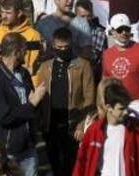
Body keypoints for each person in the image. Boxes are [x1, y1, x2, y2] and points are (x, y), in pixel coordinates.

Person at [35, 27, 95, 176]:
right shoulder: (45, 67)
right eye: (58, 47)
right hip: (51, 124)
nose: (62, 50)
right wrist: (41, 123)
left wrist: (82, 125)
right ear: (53, 46)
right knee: (53, 163)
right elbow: (40, 96)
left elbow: (89, 97)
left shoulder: (83, 65)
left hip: (73, 124)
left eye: (66, 47)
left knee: (72, 164)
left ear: (72, 45)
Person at [0, 33, 47, 176]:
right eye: (25, 49)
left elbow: (31, 105)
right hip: (7, 151)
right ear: (16, 52)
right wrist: (32, 104)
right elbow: (5, 117)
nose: (27, 52)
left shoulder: (23, 73)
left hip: (28, 147)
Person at [73, 80, 139, 176]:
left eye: (127, 107)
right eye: (121, 109)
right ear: (108, 107)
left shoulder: (135, 129)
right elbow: (81, 164)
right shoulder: (94, 131)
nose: (126, 112)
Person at [102, 13, 139, 120]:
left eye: (126, 29)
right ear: (112, 31)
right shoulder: (107, 54)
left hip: (137, 104)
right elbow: (104, 83)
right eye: (120, 30)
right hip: (114, 106)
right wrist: (103, 106)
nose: (124, 33)